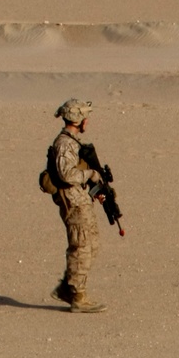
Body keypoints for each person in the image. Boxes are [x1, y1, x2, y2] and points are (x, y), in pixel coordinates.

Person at [48, 99, 107, 314]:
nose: (87, 121)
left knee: (91, 245)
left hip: (81, 199)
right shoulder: (65, 144)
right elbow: (66, 174)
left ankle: (67, 287)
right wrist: (90, 174)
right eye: (84, 117)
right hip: (73, 202)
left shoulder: (73, 142)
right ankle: (78, 295)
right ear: (77, 118)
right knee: (81, 246)